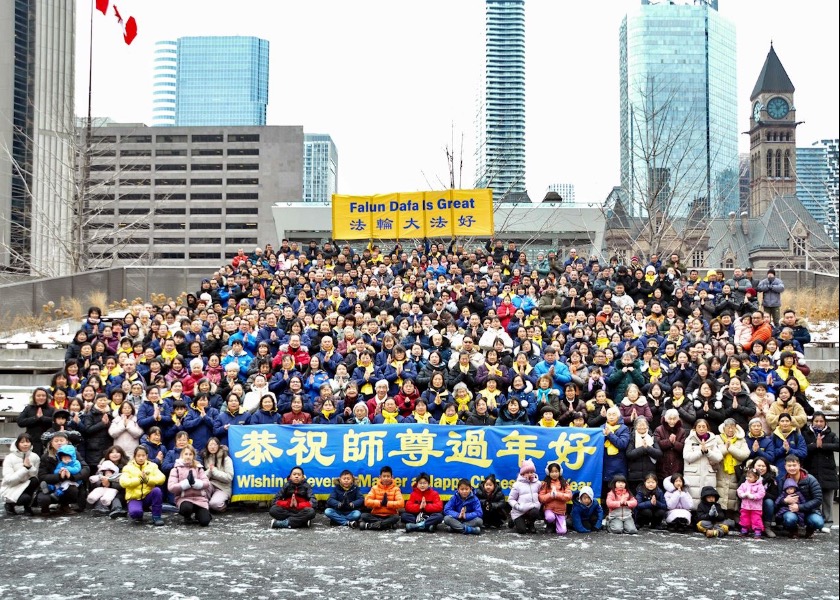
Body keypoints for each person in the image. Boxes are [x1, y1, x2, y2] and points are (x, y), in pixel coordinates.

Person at [802, 412, 838, 530]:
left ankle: (828, 521)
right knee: (813, 497)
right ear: (812, 422)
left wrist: (822, 445)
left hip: (827, 470)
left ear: (825, 423)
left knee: (827, 498)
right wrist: (814, 445)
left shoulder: (831, 434)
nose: (818, 423)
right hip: (811, 469)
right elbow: (803, 449)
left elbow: (837, 446)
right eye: (816, 421)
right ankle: (816, 521)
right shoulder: (806, 434)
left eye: (821, 421)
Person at [776, 454, 825, 538]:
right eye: (789, 465)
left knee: (818, 522)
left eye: (794, 465)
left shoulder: (810, 479)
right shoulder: (782, 481)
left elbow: (818, 499)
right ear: (785, 466)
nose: (792, 468)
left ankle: (810, 529)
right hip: (790, 510)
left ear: (799, 465)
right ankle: (793, 530)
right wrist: (784, 501)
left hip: (810, 510)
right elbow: (777, 500)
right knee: (789, 519)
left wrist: (800, 507)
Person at [119, 445, 166, 526]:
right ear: (134, 456)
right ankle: (139, 511)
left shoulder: (153, 466)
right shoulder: (127, 467)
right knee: (136, 514)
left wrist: (147, 480)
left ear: (147, 456)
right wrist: (140, 480)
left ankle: (157, 517)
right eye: (138, 456)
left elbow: (162, 478)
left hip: (148, 496)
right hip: (134, 497)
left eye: (143, 455)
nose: (141, 458)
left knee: (157, 491)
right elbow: (123, 482)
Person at [168, 444, 212, 526]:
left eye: (190, 454)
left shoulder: (199, 468)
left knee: (205, 521)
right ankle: (187, 516)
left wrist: (195, 483)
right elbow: (171, 487)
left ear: (193, 456)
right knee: (186, 508)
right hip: (184, 499)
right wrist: (186, 484)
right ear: (182, 455)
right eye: (186, 454)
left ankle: (199, 515)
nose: (188, 456)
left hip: (200, 499)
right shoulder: (176, 469)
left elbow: (207, 483)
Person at [683, 419, 723, 508]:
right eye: (699, 427)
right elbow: (687, 456)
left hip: (708, 474)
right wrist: (701, 451)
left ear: (707, 428)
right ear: (695, 428)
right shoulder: (689, 439)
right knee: (692, 497)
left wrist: (708, 451)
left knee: (707, 498)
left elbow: (718, 457)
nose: (701, 429)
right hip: (693, 474)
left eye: (703, 427)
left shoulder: (713, 440)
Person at [1, 433, 40, 516]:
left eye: (28, 442)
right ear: (17, 443)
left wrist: (30, 467)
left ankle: (27, 507)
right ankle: (9, 505)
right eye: (22, 442)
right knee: (25, 498)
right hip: (12, 487)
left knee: (34, 480)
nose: (25, 444)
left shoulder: (35, 457)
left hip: (27, 486)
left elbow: (35, 474)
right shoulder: (9, 458)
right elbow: (9, 480)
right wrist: (25, 468)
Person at [358, 465, 404, 530]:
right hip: (376, 515)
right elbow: (367, 501)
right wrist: (380, 503)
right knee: (364, 515)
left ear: (392, 477)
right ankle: (386, 525)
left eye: (388, 476)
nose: (386, 478)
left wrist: (387, 503)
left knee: (396, 517)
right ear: (380, 477)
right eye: (384, 476)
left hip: (390, 515)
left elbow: (401, 503)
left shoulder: (396, 489)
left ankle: (370, 526)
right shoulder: (374, 488)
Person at [17, 388, 55, 456]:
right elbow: (20, 422)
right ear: (34, 397)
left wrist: (43, 418)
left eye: (43, 396)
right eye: (38, 396)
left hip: (48, 441)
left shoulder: (51, 409)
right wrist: (35, 418)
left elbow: (55, 422)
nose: (41, 397)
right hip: (32, 440)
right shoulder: (28, 408)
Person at [508, 459, 541, 534]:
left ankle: (530, 524)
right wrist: (517, 506)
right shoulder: (517, 485)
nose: (530, 474)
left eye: (531, 472)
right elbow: (511, 499)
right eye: (527, 472)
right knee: (522, 531)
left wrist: (539, 504)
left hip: (532, 509)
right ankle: (513, 520)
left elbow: (540, 495)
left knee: (535, 512)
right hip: (519, 511)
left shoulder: (538, 483)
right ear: (522, 473)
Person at [538, 462, 572, 535]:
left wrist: (557, 495)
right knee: (550, 517)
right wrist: (550, 495)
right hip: (549, 509)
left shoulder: (564, 483)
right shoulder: (545, 484)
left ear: (560, 472)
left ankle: (559, 523)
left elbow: (569, 496)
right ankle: (550, 525)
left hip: (560, 511)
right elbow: (541, 498)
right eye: (552, 472)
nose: (554, 474)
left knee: (562, 532)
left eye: (556, 471)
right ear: (548, 473)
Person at [201, 438, 234, 513]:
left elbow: (229, 477)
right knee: (199, 491)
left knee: (214, 504)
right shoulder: (206, 457)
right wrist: (209, 471)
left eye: (215, 445)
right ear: (207, 446)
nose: (212, 447)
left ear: (219, 446)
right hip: (210, 485)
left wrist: (214, 471)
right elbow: (202, 476)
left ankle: (224, 503)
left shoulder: (226, 458)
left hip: (223, 487)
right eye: (210, 445)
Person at [737, 468, 766, 538]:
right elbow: (739, 490)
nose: (748, 478)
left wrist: (753, 496)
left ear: (756, 477)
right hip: (745, 506)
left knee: (756, 519)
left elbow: (762, 494)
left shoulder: (759, 486)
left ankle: (757, 532)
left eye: (750, 477)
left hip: (756, 507)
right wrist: (742, 495)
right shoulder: (744, 484)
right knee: (744, 517)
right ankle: (744, 530)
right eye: (747, 476)